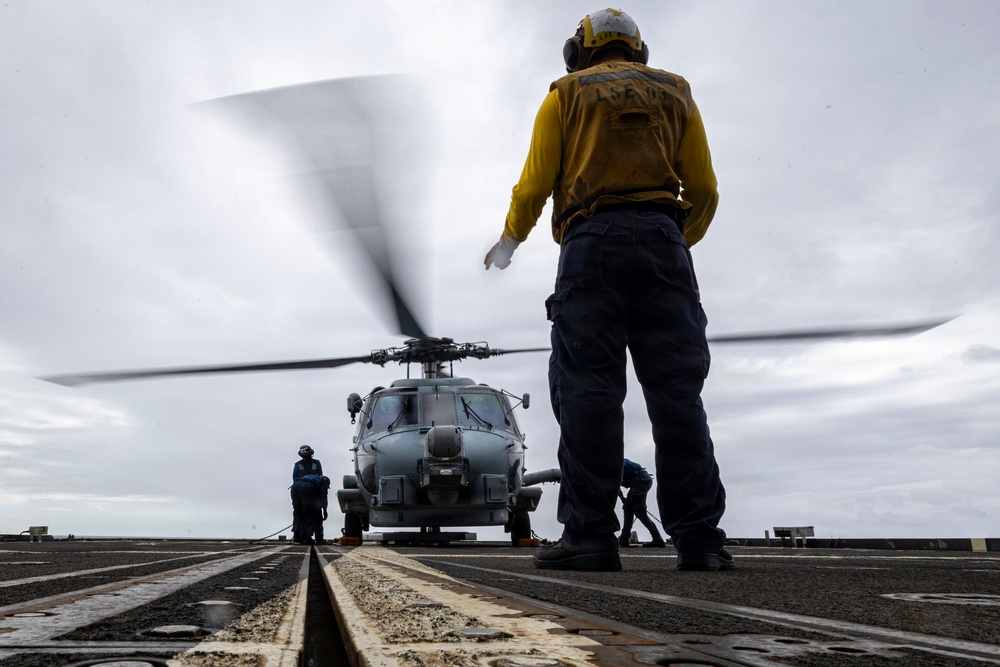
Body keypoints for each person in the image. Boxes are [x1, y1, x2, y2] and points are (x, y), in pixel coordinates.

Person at [484, 8, 731, 572]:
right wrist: (671, 242)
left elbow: (535, 183)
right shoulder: (678, 93)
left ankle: (591, 538)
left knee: (589, 393)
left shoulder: (564, 94)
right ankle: (701, 541)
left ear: (579, 51)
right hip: (666, 241)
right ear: (638, 48)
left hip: (590, 242)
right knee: (678, 398)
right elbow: (707, 189)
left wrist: (509, 241)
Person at [619, 459, 666, 548]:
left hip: (640, 481)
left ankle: (658, 539)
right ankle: (624, 539)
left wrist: (622, 499)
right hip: (638, 481)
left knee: (639, 511)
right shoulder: (615, 462)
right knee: (628, 508)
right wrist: (624, 500)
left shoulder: (614, 465)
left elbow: (616, 485)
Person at [290, 474, 330, 545]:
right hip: (307, 487)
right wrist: (324, 509)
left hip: (295, 486)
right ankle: (312, 538)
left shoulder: (311, 477)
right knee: (310, 513)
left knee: (298, 512)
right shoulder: (324, 481)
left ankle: (297, 536)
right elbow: (323, 497)